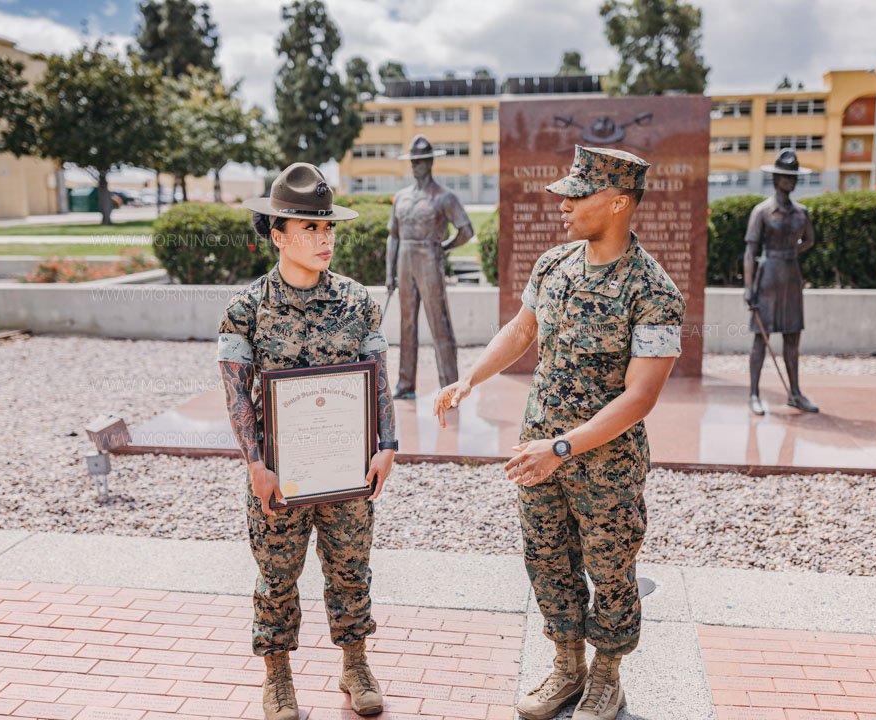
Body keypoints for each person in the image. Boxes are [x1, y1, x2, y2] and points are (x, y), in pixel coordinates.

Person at [434, 146, 685, 720]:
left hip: (603, 466)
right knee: (547, 559)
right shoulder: (554, 264)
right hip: (537, 453)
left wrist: (563, 448)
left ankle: (606, 674)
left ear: (620, 202)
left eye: (579, 194)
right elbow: (522, 329)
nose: (564, 204)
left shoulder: (654, 292)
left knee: (610, 569)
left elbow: (641, 396)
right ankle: (567, 666)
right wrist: (469, 377)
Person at [217, 162, 398, 720]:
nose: (324, 239)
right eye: (309, 228)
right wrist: (255, 464)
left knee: (350, 566)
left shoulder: (358, 300)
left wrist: (387, 443)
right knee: (277, 574)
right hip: (280, 471)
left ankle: (355, 663)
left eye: (328, 227)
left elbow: (378, 375)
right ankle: (277, 675)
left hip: (346, 470)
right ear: (277, 233)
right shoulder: (245, 310)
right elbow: (237, 394)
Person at [386, 134, 474, 399]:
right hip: (404, 259)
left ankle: (450, 386)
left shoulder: (444, 197)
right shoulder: (401, 197)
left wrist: (444, 247)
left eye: (421, 161)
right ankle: (405, 384)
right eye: (413, 161)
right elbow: (394, 235)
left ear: (430, 162)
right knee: (407, 324)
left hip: (429, 257)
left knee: (439, 324)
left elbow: (466, 230)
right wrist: (389, 272)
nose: (416, 166)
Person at [744, 147, 819, 415]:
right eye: (786, 176)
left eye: (793, 177)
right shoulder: (762, 211)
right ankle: (753, 393)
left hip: (791, 277)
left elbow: (809, 240)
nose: (790, 181)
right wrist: (748, 288)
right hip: (768, 279)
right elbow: (750, 252)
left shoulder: (802, 212)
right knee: (760, 340)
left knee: (792, 337)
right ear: (776, 179)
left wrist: (792, 251)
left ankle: (795, 393)